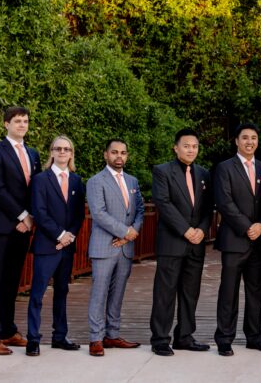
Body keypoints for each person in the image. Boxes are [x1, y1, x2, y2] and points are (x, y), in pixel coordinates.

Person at [0, 105, 41, 355]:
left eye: (25, 121)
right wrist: (21, 214)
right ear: (6, 124)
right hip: (1, 226)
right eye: (17, 121)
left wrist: (30, 217)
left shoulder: (33, 153)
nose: (22, 125)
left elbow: (35, 188)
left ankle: (8, 330)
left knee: (11, 282)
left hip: (23, 228)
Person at [213, 122, 261, 356]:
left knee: (256, 292)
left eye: (254, 138)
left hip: (259, 241)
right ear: (237, 141)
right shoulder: (224, 168)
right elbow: (224, 202)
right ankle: (225, 339)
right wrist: (247, 226)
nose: (250, 141)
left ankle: (255, 337)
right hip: (234, 239)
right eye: (245, 137)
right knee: (228, 291)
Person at [149, 128, 213, 356]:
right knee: (165, 293)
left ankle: (185, 336)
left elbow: (208, 208)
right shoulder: (162, 171)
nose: (191, 150)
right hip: (172, 242)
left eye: (195, 146)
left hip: (196, 243)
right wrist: (186, 230)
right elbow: (163, 203)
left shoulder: (204, 174)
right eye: (186, 145)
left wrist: (201, 230)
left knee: (190, 292)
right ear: (176, 148)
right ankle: (160, 339)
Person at [25, 135, 84, 355]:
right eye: (58, 148)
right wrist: (59, 235)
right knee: (38, 294)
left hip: (67, 247)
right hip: (46, 246)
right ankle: (33, 339)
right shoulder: (40, 179)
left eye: (66, 149)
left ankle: (60, 336)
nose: (62, 152)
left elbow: (78, 214)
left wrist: (69, 237)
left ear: (71, 154)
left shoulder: (77, 181)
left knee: (62, 291)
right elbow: (39, 212)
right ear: (51, 152)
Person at [86, 139, 145, 356]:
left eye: (123, 153)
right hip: (104, 246)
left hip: (125, 248)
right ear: (106, 155)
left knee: (117, 294)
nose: (119, 156)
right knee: (99, 293)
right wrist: (124, 231)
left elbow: (139, 209)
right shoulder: (95, 181)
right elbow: (99, 213)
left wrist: (131, 235)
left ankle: (112, 335)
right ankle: (95, 338)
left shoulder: (132, 181)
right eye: (114, 152)